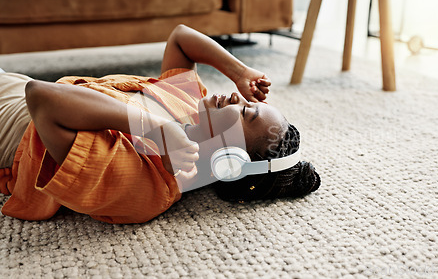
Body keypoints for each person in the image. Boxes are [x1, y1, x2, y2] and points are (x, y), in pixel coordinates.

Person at [0, 25, 320, 224]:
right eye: (250, 101)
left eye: (247, 113)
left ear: (230, 161)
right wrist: (239, 71)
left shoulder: (143, 187)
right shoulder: (186, 109)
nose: (238, 98)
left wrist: (150, 127)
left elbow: (42, 96)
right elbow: (181, 38)